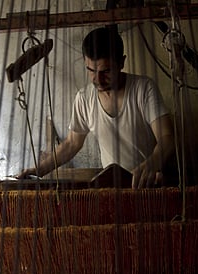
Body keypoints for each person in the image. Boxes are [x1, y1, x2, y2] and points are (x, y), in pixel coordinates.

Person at [17, 27, 176, 188]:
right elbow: (72, 143)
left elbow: (167, 137)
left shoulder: (143, 89)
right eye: (91, 70)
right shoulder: (84, 99)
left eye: (105, 71)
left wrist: (151, 164)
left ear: (121, 62)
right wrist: (39, 170)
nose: (97, 79)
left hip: (149, 184)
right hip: (113, 188)